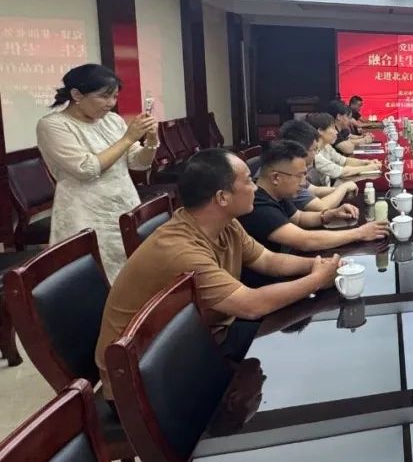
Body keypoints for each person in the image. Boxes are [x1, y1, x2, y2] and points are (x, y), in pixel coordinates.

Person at [94, 149, 345, 399]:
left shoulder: (225, 224)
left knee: (299, 326)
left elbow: (268, 260)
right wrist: (316, 280)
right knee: (293, 361)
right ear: (222, 197)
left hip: (199, 337)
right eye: (248, 181)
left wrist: (318, 265)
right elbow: (251, 305)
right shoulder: (181, 250)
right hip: (143, 379)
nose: (255, 188)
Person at [36, 64, 158, 282]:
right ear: (76, 95)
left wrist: (151, 139)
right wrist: (129, 138)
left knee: (133, 276)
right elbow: (86, 169)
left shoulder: (112, 120)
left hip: (124, 205)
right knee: (95, 279)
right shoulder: (53, 125)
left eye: (115, 97)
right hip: (84, 213)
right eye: (104, 96)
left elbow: (138, 163)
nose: (111, 103)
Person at [239, 140, 390, 286]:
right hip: (265, 283)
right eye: (300, 175)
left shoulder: (276, 193)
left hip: (284, 269)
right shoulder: (258, 204)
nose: (304, 182)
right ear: (276, 177)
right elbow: (304, 241)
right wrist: (360, 233)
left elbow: (299, 218)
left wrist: (329, 214)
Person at [276, 119, 357, 212]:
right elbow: (322, 207)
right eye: (314, 150)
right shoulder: (287, 175)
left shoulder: (293, 167)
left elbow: (313, 190)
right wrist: (344, 188)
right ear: (300, 149)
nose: (316, 154)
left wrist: (340, 190)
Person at [306, 112, 380, 186]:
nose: (336, 132)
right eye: (332, 128)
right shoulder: (314, 155)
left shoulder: (326, 146)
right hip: (327, 191)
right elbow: (341, 172)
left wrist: (366, 162)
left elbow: (344, 161)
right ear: (320, 131)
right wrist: (370, 167)